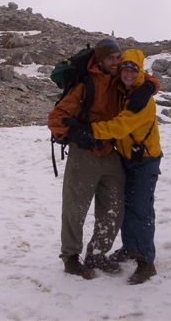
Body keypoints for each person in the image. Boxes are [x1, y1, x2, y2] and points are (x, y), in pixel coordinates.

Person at [47, 38, 158, 280]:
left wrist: (151, 86)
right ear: (100, 59)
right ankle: (71, 257)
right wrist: (77, 133)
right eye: (112, 58)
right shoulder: (85, 85)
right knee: (75, 208)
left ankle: (97, 253)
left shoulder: (119, 79)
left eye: (119, 58)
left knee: (114, 209)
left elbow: (139, 77)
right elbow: (55, 118)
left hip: (109, 151)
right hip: (83, 154)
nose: (117, 63)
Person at [90, 49, 163, 285]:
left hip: (144, 161)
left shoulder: (142, 98)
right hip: (125, 157)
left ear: (140, 71)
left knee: (141, 209)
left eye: (134, 69)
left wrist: (90, 131)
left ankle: (146, 262)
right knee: (126, 206)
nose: (128, 73)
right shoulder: (123, 88)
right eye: (125, 69)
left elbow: (121, 127)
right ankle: (131, 247)